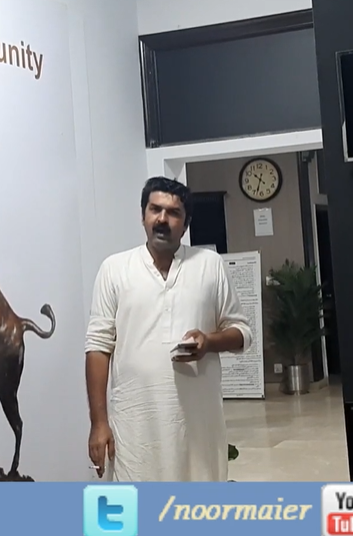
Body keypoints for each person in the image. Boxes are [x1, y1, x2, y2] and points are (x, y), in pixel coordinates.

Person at [84, 176, 252, 481]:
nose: (162, 219)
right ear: (143, 216)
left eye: (173, 212)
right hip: (135, 429)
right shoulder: (114, 269)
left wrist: (208, 342)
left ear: (185, 224)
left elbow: (242, 333)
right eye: (155, 209)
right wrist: (99, 423)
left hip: (198, 427)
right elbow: (98, 346)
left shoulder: (209, 265)